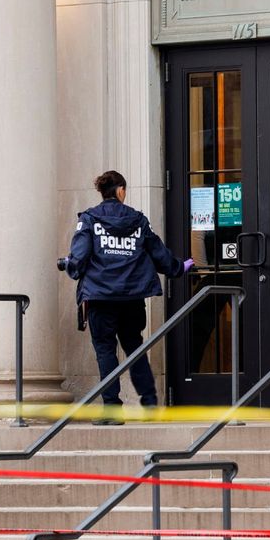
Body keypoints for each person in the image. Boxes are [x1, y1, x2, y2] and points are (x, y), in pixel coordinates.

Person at [62, 170, 193, 424]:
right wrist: (179, 267)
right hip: (132, 297)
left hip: (100, 297)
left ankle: (112, 410)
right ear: (121, 191)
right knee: (134, 347)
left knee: (105, 351)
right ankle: (150, 403)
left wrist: (68, 265)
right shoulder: (138, 220)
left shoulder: (88, 220)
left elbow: (78, 260)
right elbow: (159, 254)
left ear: (103, 192)